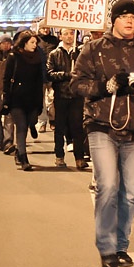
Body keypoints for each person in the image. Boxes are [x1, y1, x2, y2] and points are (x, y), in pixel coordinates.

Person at [71, 0, 134, 267]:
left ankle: (121, 246)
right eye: (124, 16)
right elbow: (76, 83)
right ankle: (106, 248)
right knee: (108, 186)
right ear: (113, 19)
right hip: (101, 124)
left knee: (129, 194)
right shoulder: (93, 49)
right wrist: (105, 86)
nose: (129, 21)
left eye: (133, 17)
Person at [2, 31, 44, 171]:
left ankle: (20, 150)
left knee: (31, 122)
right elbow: (6, 79)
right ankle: (23, 157)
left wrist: (40, 101)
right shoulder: (14, 57)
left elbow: (39, 81)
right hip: (17, 98)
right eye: (32, 42)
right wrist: (6, 99)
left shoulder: (38, 58)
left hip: (32, 98)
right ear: (24, 43)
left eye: (36, 43)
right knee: (21, 126)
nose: (34, 45)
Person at [48, 28, 88, 169]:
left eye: (71, 33)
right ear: (60, 36)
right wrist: (66, 75)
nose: (69, 36)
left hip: (76, 95)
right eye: (66, 34)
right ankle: (59, 156)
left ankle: (79, 158)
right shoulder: (54, 54)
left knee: (77, 128)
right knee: (60, 127)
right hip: (61, 95)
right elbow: (49, 74)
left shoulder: (80, 53)